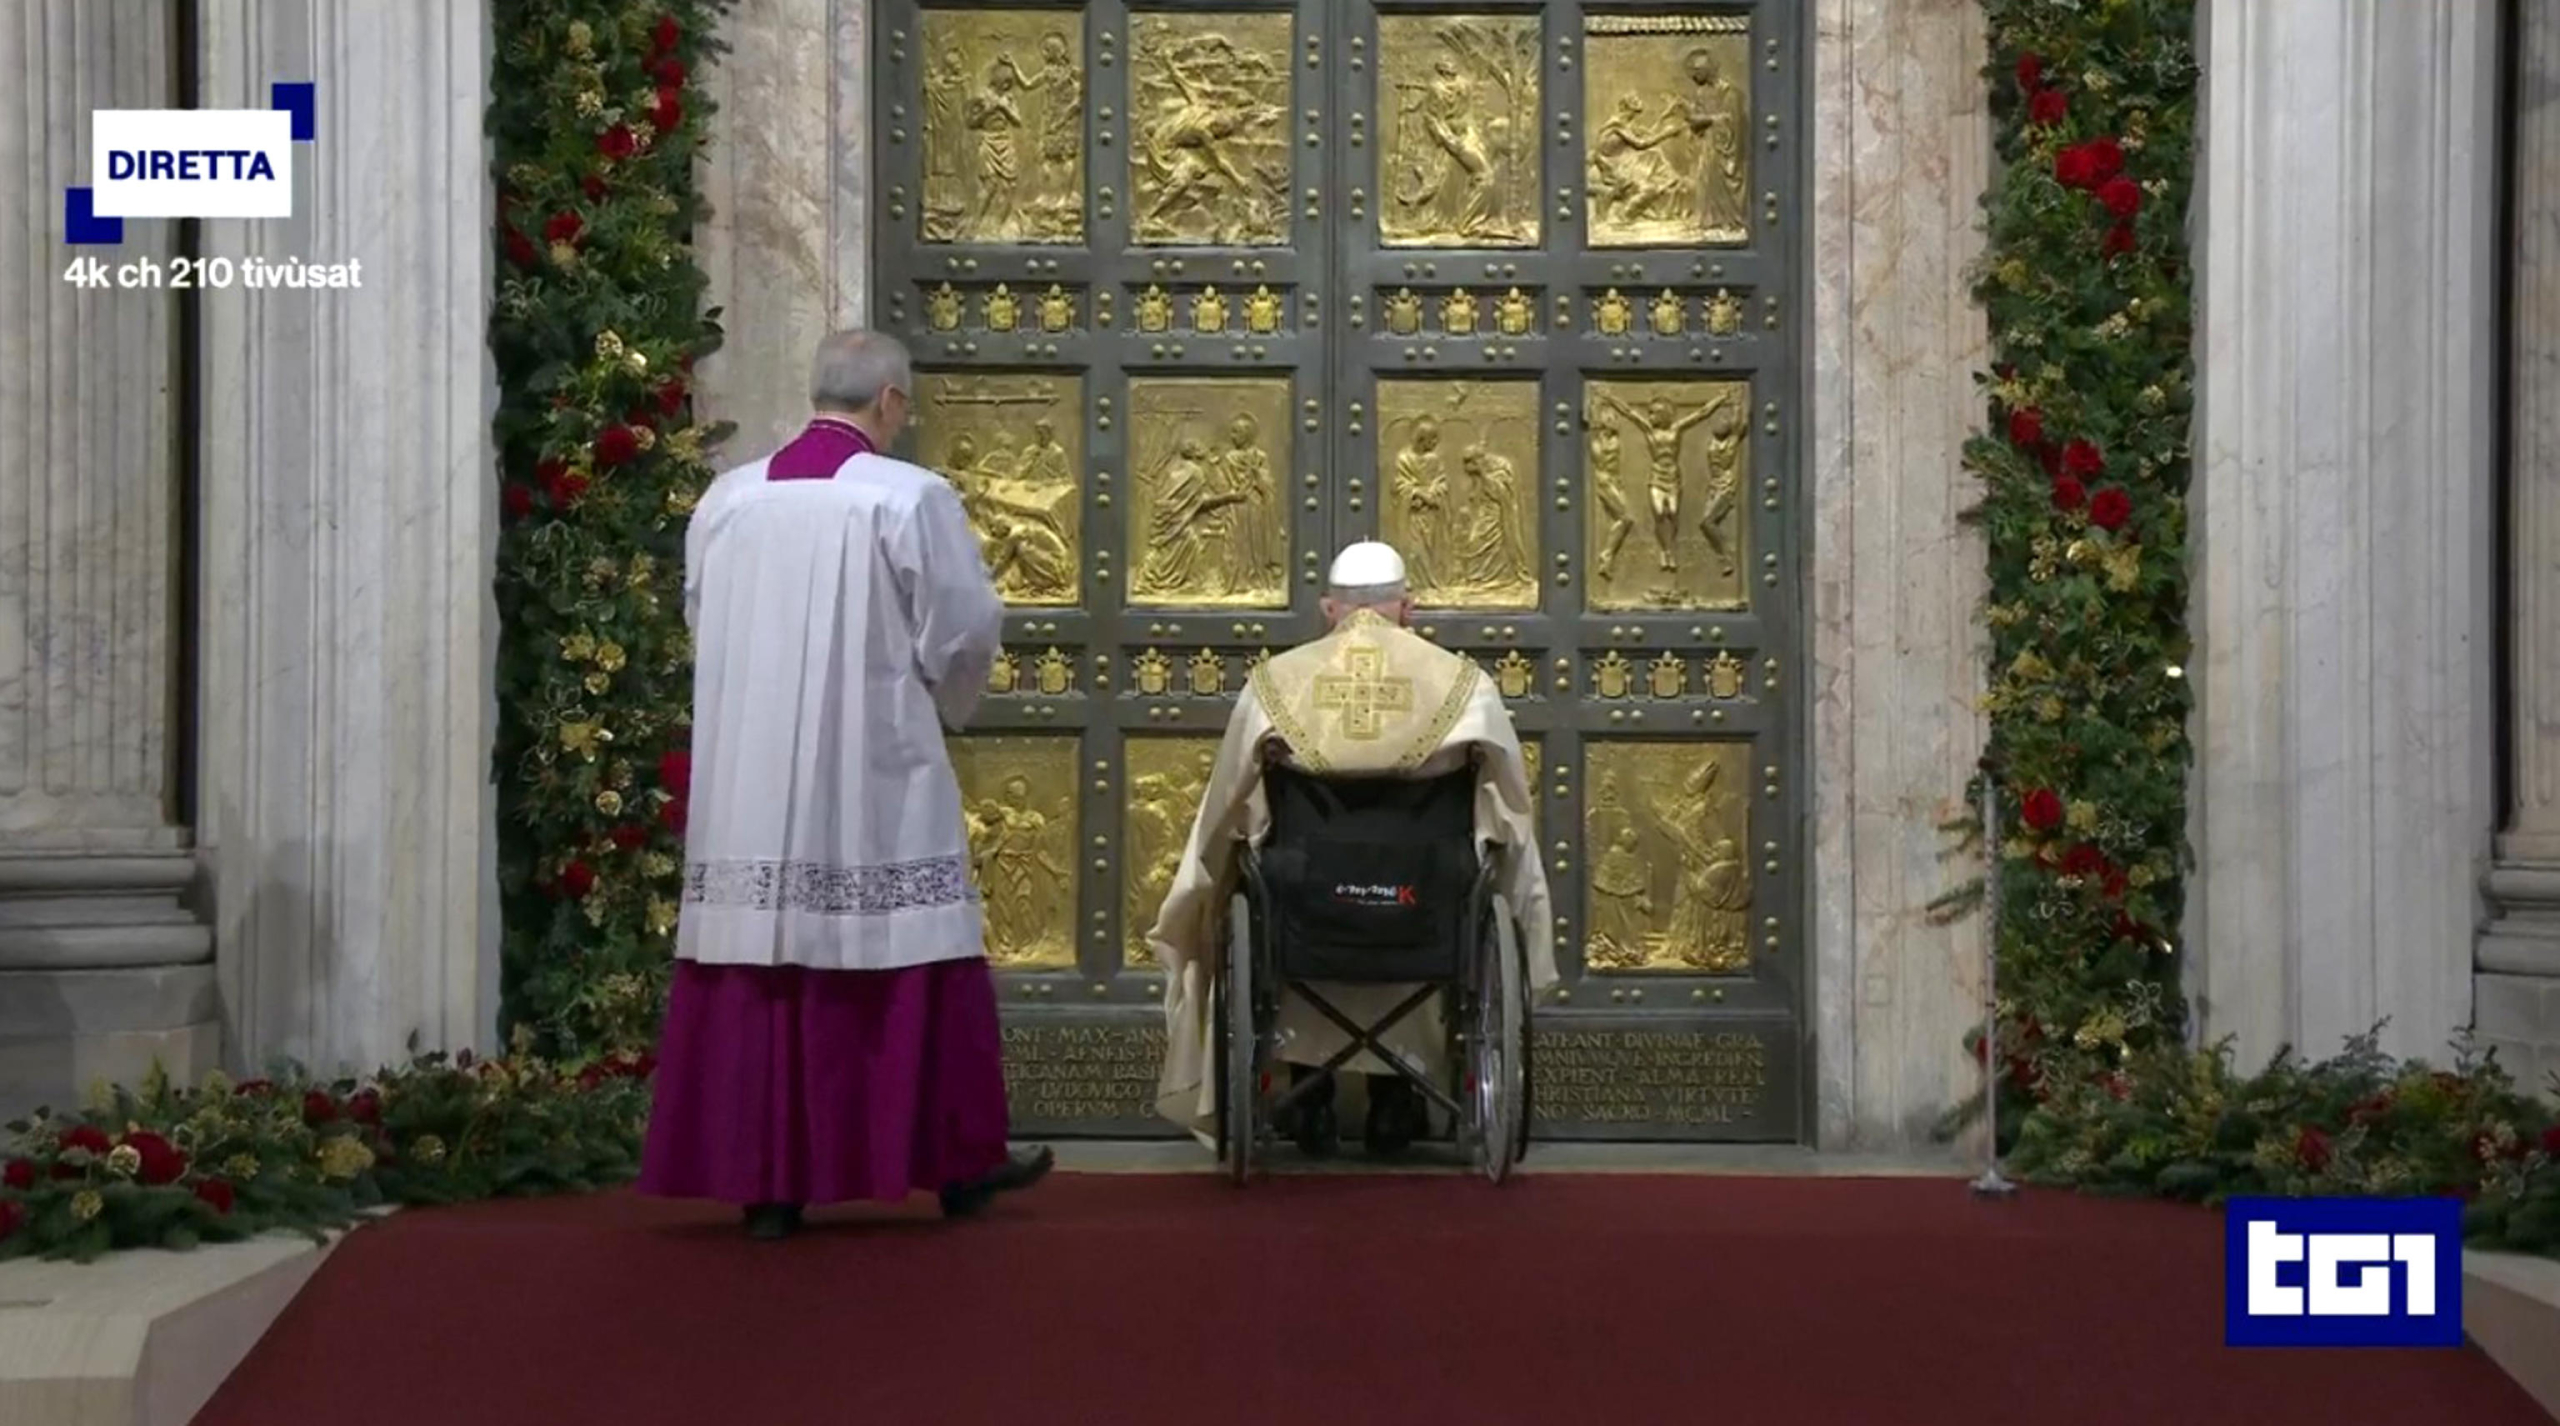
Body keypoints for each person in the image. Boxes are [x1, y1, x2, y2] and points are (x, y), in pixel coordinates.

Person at [638, 330, 1054, 1239]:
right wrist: (946, 695)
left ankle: (770, 1189)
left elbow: (701, 619)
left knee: (764, 955)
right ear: (891, 403)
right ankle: (955, 1165)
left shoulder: (728, 499)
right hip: (871, 769)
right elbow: (963, 625)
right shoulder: (909, 497)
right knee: (907, 943)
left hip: (751, 775)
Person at [1145, 541, 1557, 1157]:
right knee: (1458, 880)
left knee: (1258, 877)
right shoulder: (1466, 688)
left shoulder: (1276, 685)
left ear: (1329, 610)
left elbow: (1226, 811)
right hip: (1427, 915)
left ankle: (1308, 1093)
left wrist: (1203, 889)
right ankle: (1399, 1100)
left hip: (1306, 912)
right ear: (1408, 611)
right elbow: (1510, 813)